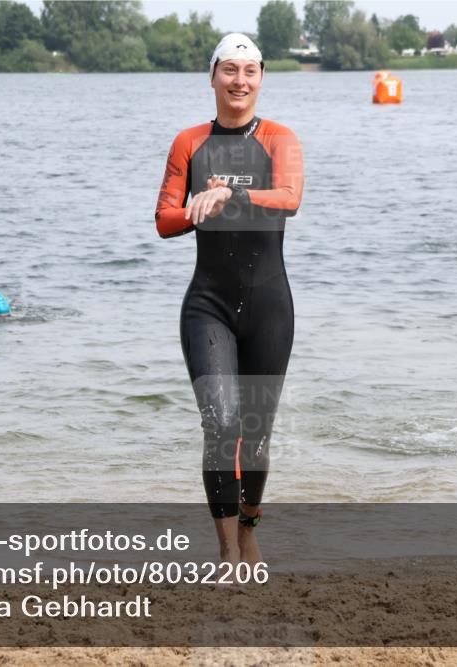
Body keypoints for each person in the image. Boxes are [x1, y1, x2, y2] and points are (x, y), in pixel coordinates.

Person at [155, 33, 304, 564]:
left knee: (256, 434)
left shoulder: (280, 139)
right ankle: (226, 553)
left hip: (269, 306)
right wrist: (201, 207)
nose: (239, 81)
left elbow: (289, 199)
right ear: (213, 76)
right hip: (208, 305)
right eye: (229, 70)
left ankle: (248, 529)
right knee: (220, 423)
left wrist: (232, 193)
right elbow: (164, 220)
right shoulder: (189, 142)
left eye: (249, 71)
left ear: (261, 78)